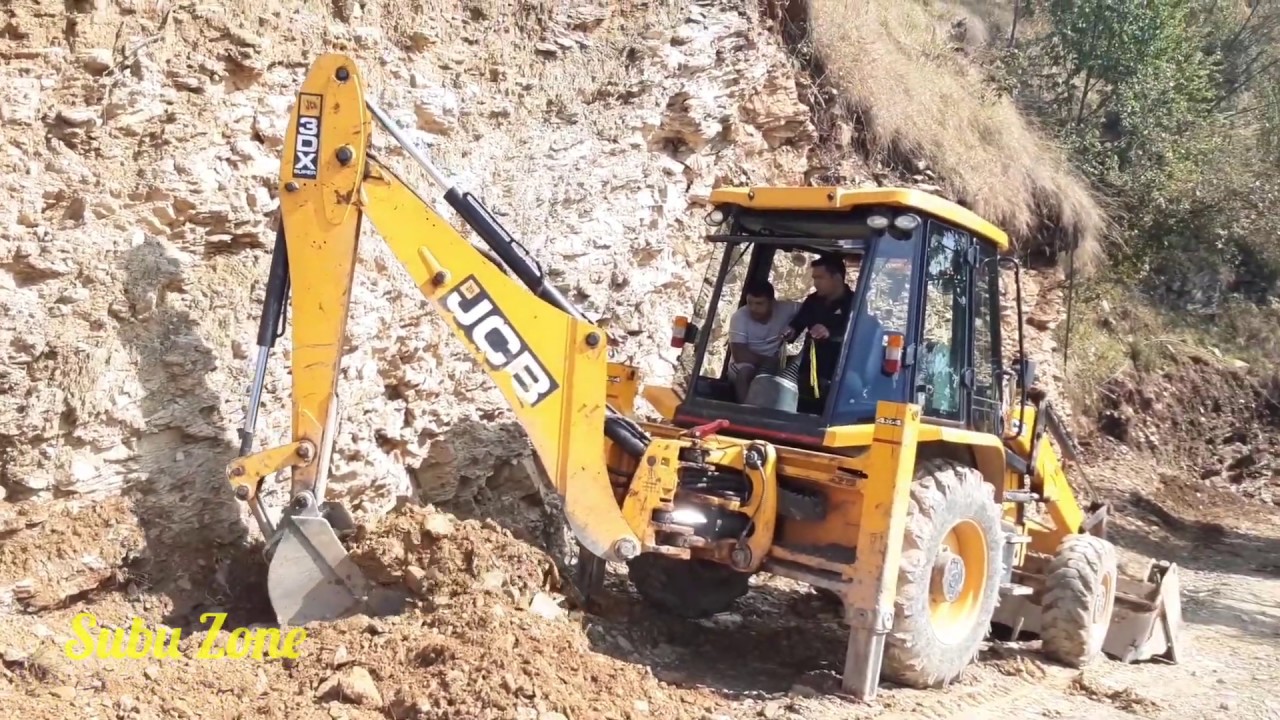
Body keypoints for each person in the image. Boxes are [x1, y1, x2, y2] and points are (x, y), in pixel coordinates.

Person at [782, 254, 856, 410]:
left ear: (836, 278)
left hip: (840, 369)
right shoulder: (812, 301)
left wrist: (830, 332)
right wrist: (791, 330)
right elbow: (798, 323)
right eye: (814, 278)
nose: (815, 283)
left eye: (820, 278)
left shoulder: (855, 303)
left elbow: (857, 333)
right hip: (809, 366)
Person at [726, 278, 800, 401]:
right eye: (750, 303)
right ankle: (745, 412)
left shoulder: (785, 309)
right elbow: (740, 355)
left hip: (774, 365)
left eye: (759, 303)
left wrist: (795, 327)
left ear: (772, 302)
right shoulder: (739, 317)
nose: (753, 308)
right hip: (746, 365)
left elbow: (810, 308)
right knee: (745, 372)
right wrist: (771, 362)